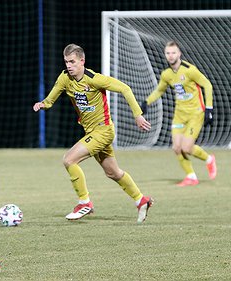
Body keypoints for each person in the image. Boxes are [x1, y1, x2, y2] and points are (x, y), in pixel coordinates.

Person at [33, 43, 153, 223]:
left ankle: (84, 203)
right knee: (113, 172)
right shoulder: (65, 78)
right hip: (93, 131)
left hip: (103, 130)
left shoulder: (94, 79)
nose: (69, 66)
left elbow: (125, 89)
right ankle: (141, 200)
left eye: (72, 62)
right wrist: (43, 104)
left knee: (69, 160)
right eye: (66, 62)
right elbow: (51, 99)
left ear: (82, 61)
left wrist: (138, 115)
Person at [140, 40, 216, 187]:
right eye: (168, 53)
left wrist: (209, 108)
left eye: (173, 52)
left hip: (196, 113)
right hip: (179, 114)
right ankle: (191, 176)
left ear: (179, 53)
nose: (171, 55)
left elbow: (207, 84)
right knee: (176, 147)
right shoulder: (166, 74)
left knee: (186, 147)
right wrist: (146, 102)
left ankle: (209, 160)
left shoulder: (189, 69)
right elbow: (160, 90)